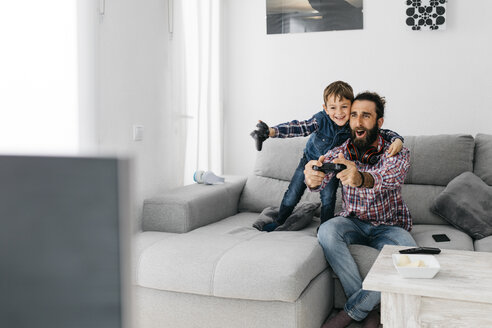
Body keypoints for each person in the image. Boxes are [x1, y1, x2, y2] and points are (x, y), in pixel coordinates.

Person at [303, 91, 418, 328]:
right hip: (352, 222)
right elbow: (320, 180)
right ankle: (370, 312)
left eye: (366, 115)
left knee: (412, 258)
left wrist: (361, 178)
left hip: (389, 226)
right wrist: (312, 178)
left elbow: (389, 177)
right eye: (354, 115)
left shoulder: (397, 151)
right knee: (326, 231)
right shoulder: (341, 150)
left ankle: (352, 312)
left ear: (379, 122)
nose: (358, 120)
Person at [252, 81, 404, 231]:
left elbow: (379, 131)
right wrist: (271, 131)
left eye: (344, 106)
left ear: (351, 106)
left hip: (332, 166)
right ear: (325, 109)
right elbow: (299, 127)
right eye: (333, 108)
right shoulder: (320, 120)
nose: (339, 113)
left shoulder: (353, 124)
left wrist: (397, 139)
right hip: (310, 161)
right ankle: (279, 221)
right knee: (292, 193)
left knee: (329, 198)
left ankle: (325, 228)